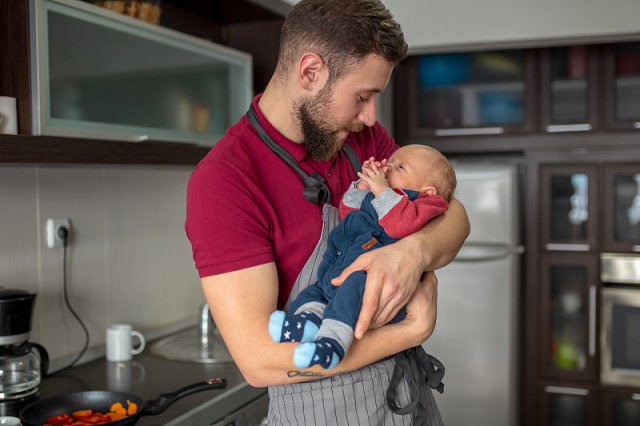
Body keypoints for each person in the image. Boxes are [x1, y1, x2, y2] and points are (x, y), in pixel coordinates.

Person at [185, 0, 470, 424]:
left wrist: (413, 254)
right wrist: (409, 331)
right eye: (363, 97)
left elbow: (453, 214)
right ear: (310, 71)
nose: (370, 116)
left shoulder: (361, 140)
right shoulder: (225, 181)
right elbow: (259, 362)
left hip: (407, 405)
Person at [268, 145, 456, 371]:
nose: (387, 167)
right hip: (340, 268)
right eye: (390, 161)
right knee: (314, 292)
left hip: (371, 286)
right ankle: (307, 321)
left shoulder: (421, 204)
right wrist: (362, 187)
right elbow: (347, 214)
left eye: (400, 167)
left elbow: (399, 226)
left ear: (428, 191)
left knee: (350, 290)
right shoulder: (382, 194)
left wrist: (380, 188)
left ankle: (333, 342)